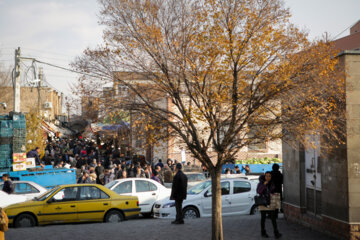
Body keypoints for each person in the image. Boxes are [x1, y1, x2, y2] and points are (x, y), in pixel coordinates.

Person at [257, 172, 282, 239]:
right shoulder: (261, 183)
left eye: (269, 176)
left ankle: (276, 233)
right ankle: (263, 232)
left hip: (271, 202)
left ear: (271, 177)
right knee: (263, 218)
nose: (268, 177)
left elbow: (275, 191)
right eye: (266, 176)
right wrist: (264, 185)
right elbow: (259, 191)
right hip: (263, 202)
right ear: (264, 176)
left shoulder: (272, 183)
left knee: (273, 218)